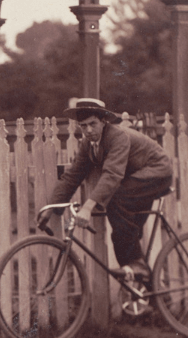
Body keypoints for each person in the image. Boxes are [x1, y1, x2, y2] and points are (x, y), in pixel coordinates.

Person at [35, 98, 173, 281]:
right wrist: (51, 207)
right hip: (136, 177)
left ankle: (138, 267)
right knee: (120, 235)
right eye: (83, 126)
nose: (89, 130)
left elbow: (112, 175)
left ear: (103, 121)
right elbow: (73, 176)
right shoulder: (88, 145)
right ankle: (141, 284)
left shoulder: (118, 137)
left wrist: (87, 207)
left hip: (158, 172)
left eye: (93, 124)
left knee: (117, 199)